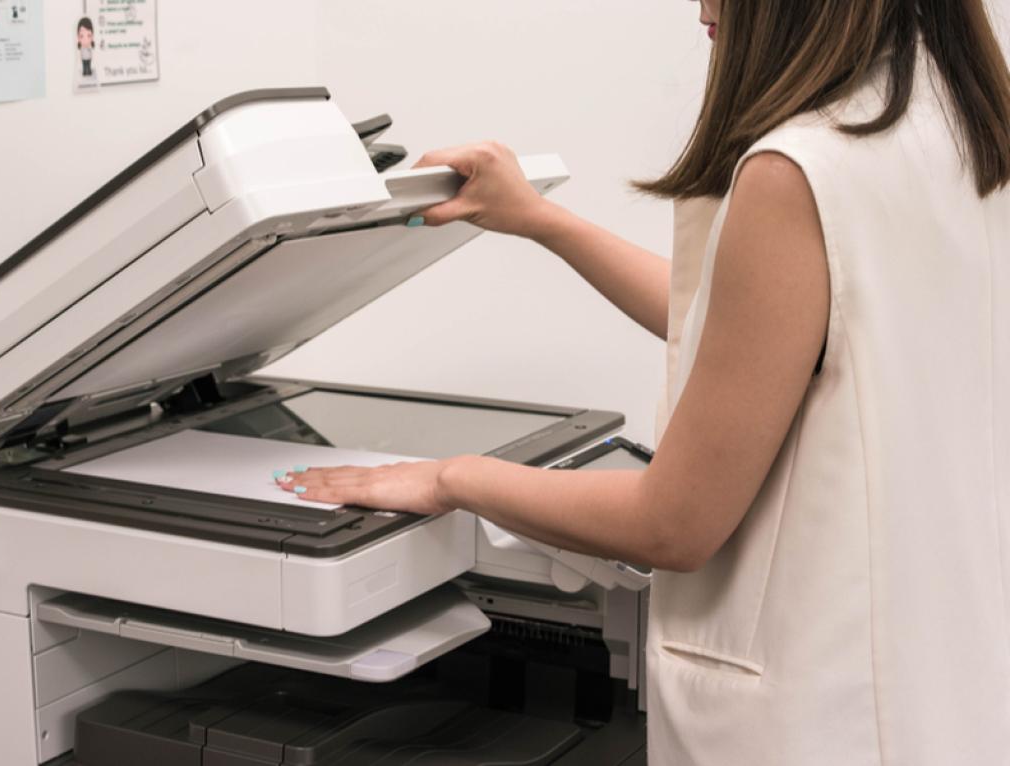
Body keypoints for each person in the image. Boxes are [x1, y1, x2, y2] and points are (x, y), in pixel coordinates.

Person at [277, 1, 1010, 763]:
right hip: (942, 684)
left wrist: (451, 479)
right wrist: (542, 221)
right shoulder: (959, 120)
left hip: (823, 718)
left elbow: (674, 524)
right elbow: (759, 334)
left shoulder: (797, 172)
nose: (703, 6)